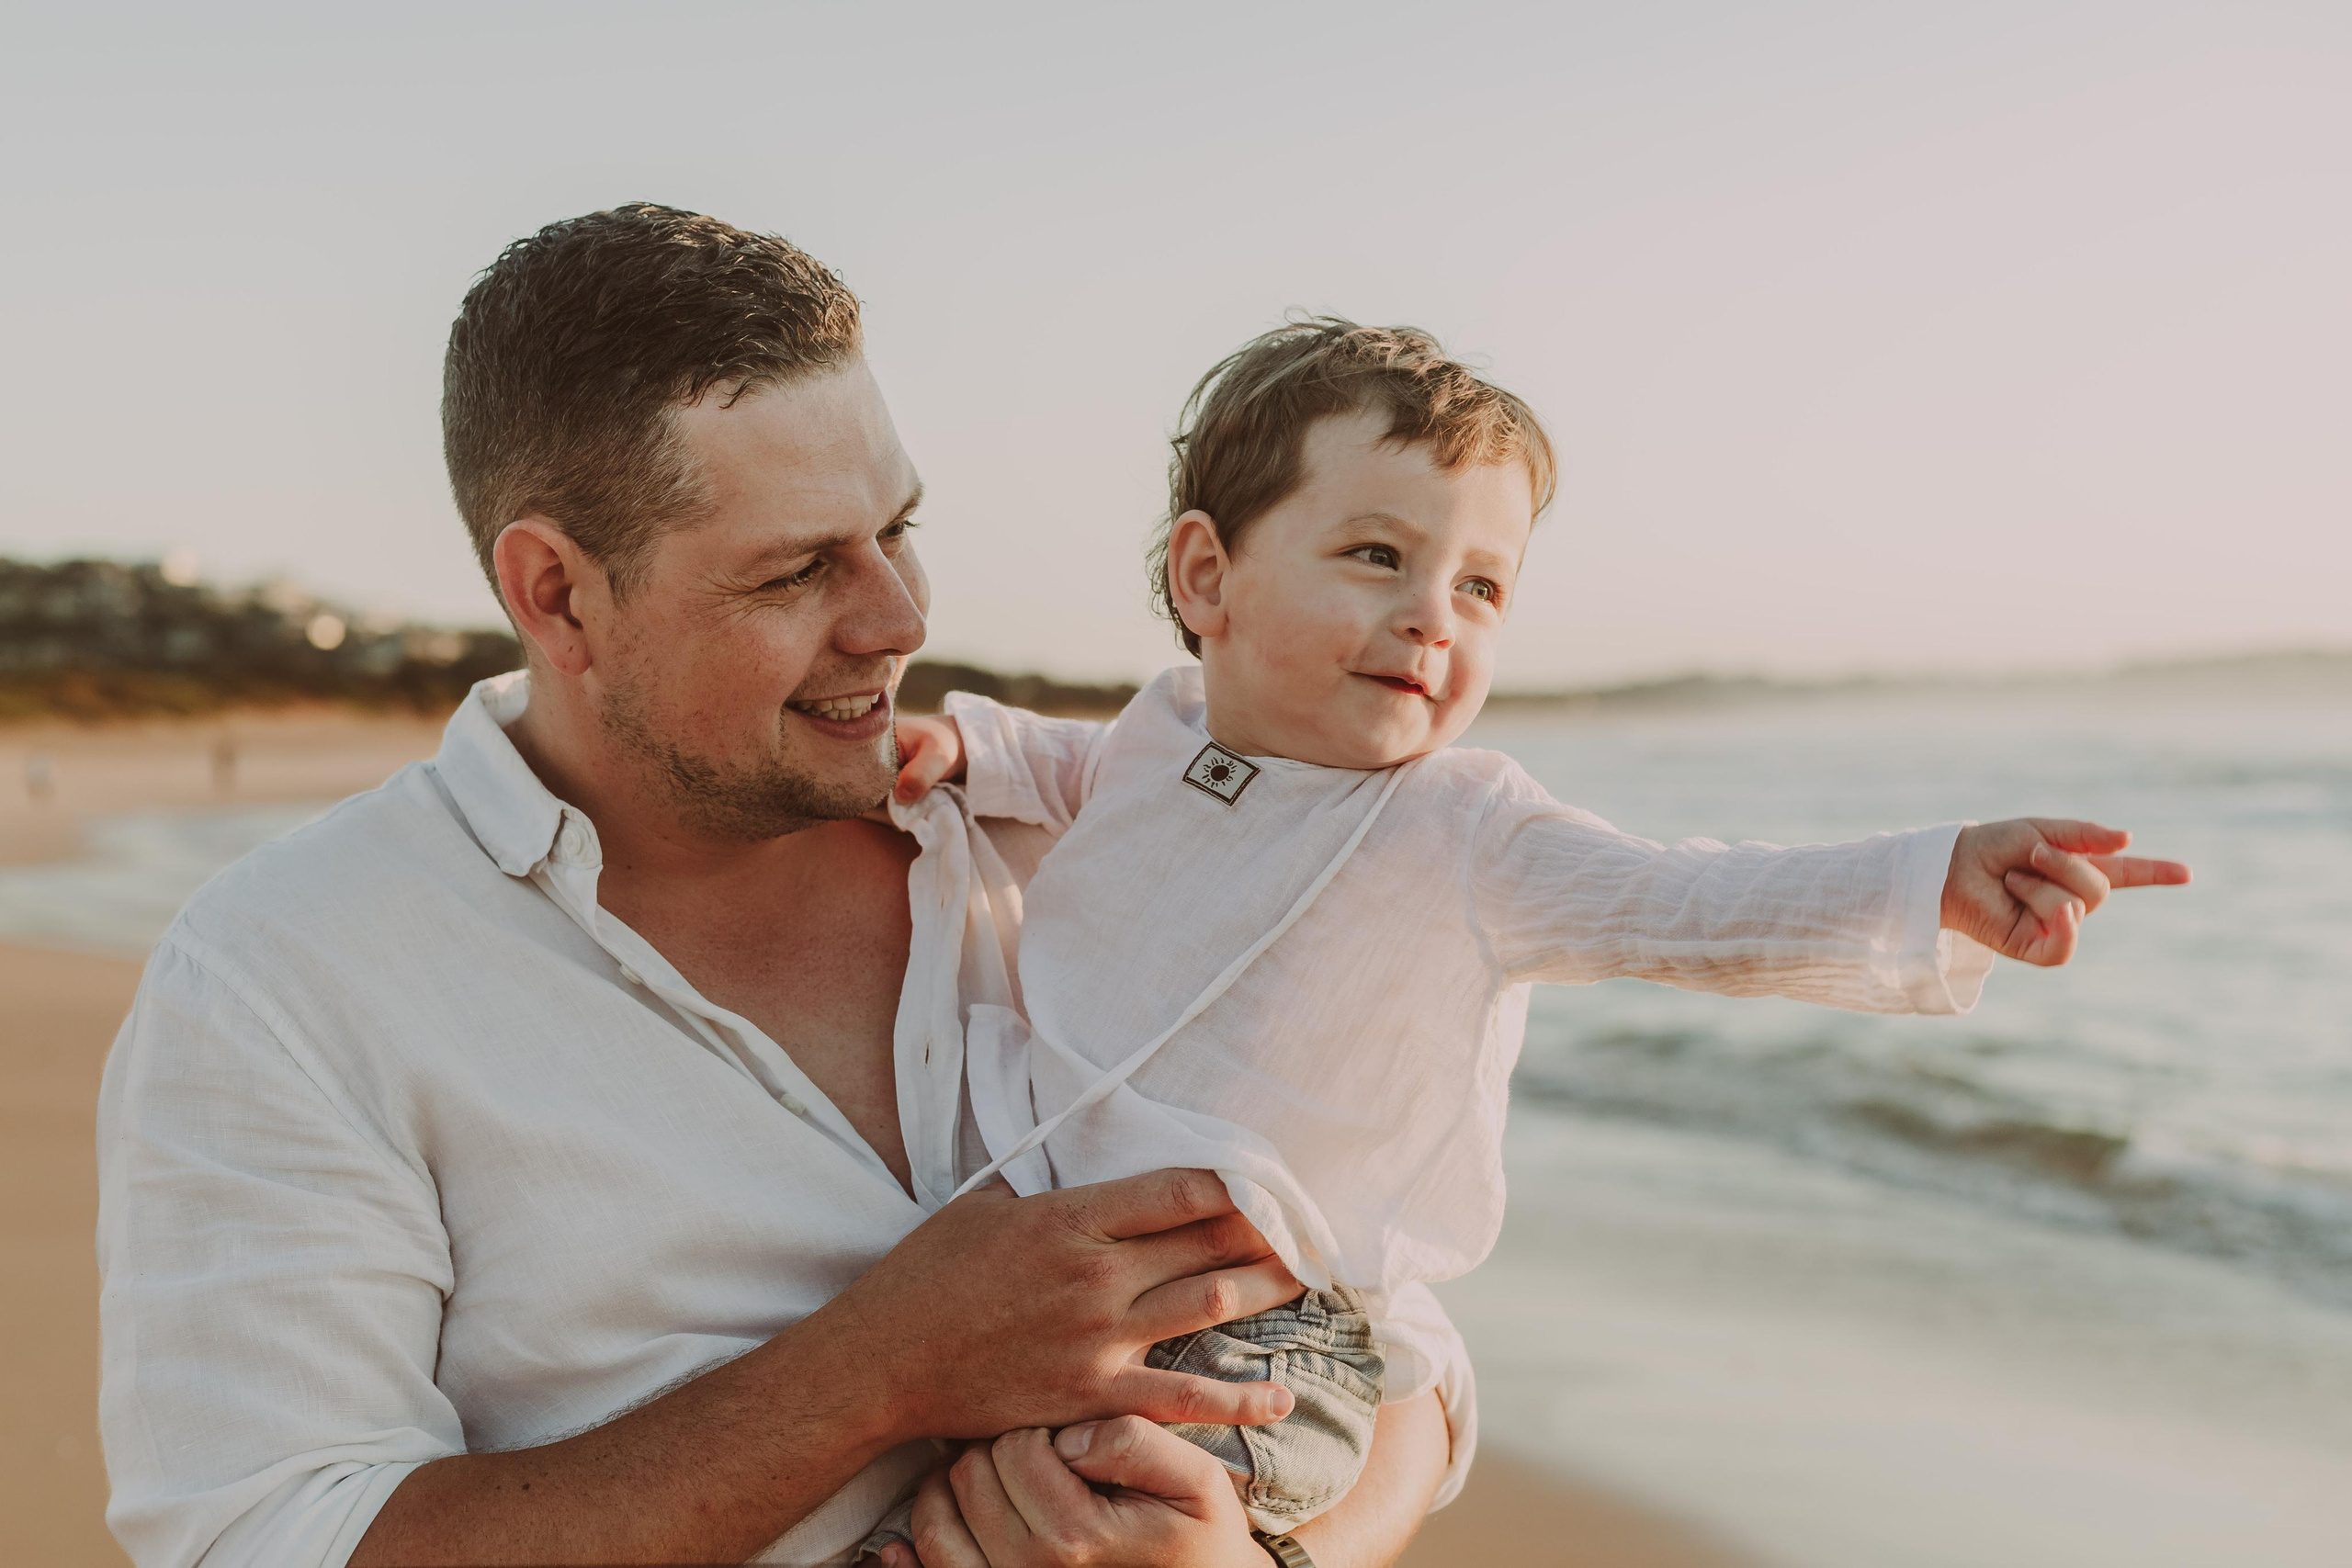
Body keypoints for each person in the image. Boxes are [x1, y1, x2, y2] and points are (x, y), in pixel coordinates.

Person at [94, 208, 1466, 1568]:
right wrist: (877, 1372)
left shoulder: (1078, 845)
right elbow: (277, 1539)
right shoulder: (285, 977)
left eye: (897, 528)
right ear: (558, 596)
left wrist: (1274, 1560)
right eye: (799, 568)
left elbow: (1403, 1344)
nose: (898, 618)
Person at [881, 318, 2192, 1539]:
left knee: (1097, 1500)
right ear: (1208, 574)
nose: (1431, 617)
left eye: (1484, 587)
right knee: (945, 1467)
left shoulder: (1467, 831)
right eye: (1379, 556)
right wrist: (961, 746)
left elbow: (1689, 905)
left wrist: (1932, 881)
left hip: (1264, 1332)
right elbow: (1062, 766)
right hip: (1051, 1254)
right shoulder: (1158, 733)